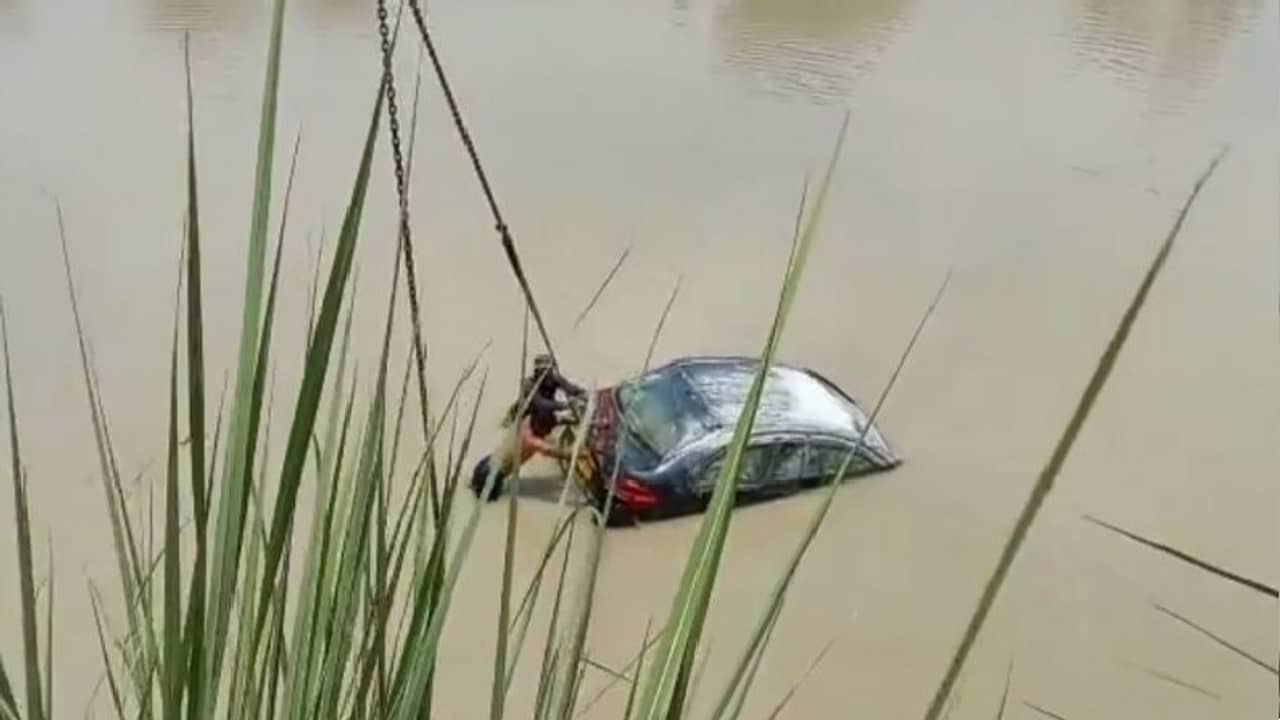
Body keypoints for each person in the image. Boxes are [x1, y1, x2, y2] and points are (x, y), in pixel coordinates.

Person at [471, 354, 587, 500]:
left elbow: (564, 397)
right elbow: (564, 454)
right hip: (490, 476)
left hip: (488, 462)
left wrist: (582, 398)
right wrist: (583, 454)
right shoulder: (531, 441)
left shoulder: (528, 420)